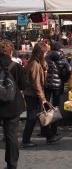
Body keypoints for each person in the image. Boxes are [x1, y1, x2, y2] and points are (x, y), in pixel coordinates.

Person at [22, 42, 62, 147]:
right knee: (32, 117)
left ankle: (49, 136)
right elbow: (37, 84)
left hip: (33, 93)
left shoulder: (36, 63)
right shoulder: (35, 65)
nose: (46, 55)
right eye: (44, 53)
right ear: (40, 53)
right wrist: (42, 97)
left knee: (41, 114)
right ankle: (26, 140)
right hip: (33, 94)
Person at [0, 40, 26, 169]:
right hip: (12, 105)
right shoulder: (16, 66)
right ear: (11, 51)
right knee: (11, 136)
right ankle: (12, 164)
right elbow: (23, 85)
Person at [44, 41, 71, 136]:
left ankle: (45, 129)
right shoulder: (63, 57)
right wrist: (63, 78)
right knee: (55, 107)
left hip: (47, 84)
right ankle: (54, 130)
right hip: (58, 85)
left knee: (46, 106)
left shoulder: (47, 57)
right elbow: (69, 70)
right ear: (59, 48)